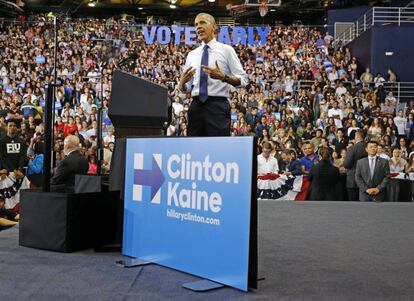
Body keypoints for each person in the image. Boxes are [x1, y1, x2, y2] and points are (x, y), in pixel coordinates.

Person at [178, 13, 247, 136]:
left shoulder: (226, 50)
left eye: (202, 22)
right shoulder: (192, 54)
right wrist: (182, 84)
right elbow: (187, 88)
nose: (198, 27)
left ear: (214, 27)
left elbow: (244, 80)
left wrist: (224, 77)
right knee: (194, 148)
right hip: (195, 106)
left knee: (218, 148)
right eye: (196, 24)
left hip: (218, 106)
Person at [343, 130, 368, 201]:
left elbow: (346, 164)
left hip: (353, 180)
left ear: (357, 136)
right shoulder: (369, 148)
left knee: (353, 204)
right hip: (367, 180)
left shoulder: (352, 148)